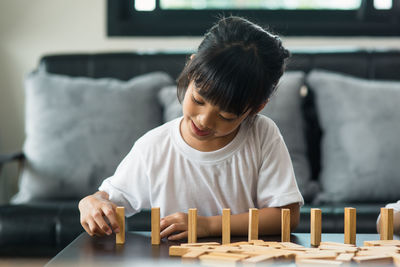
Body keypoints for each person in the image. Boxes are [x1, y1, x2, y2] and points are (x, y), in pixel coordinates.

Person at [79, 16, 304, 240]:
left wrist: (208, 226)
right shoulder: (154, 146)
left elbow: (286, 216)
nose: (205, 120)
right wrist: (91, 203)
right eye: (198, 100)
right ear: (190, 67)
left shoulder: (263, 135)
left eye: (225, 115)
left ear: (256, 108)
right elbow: (111, 199)